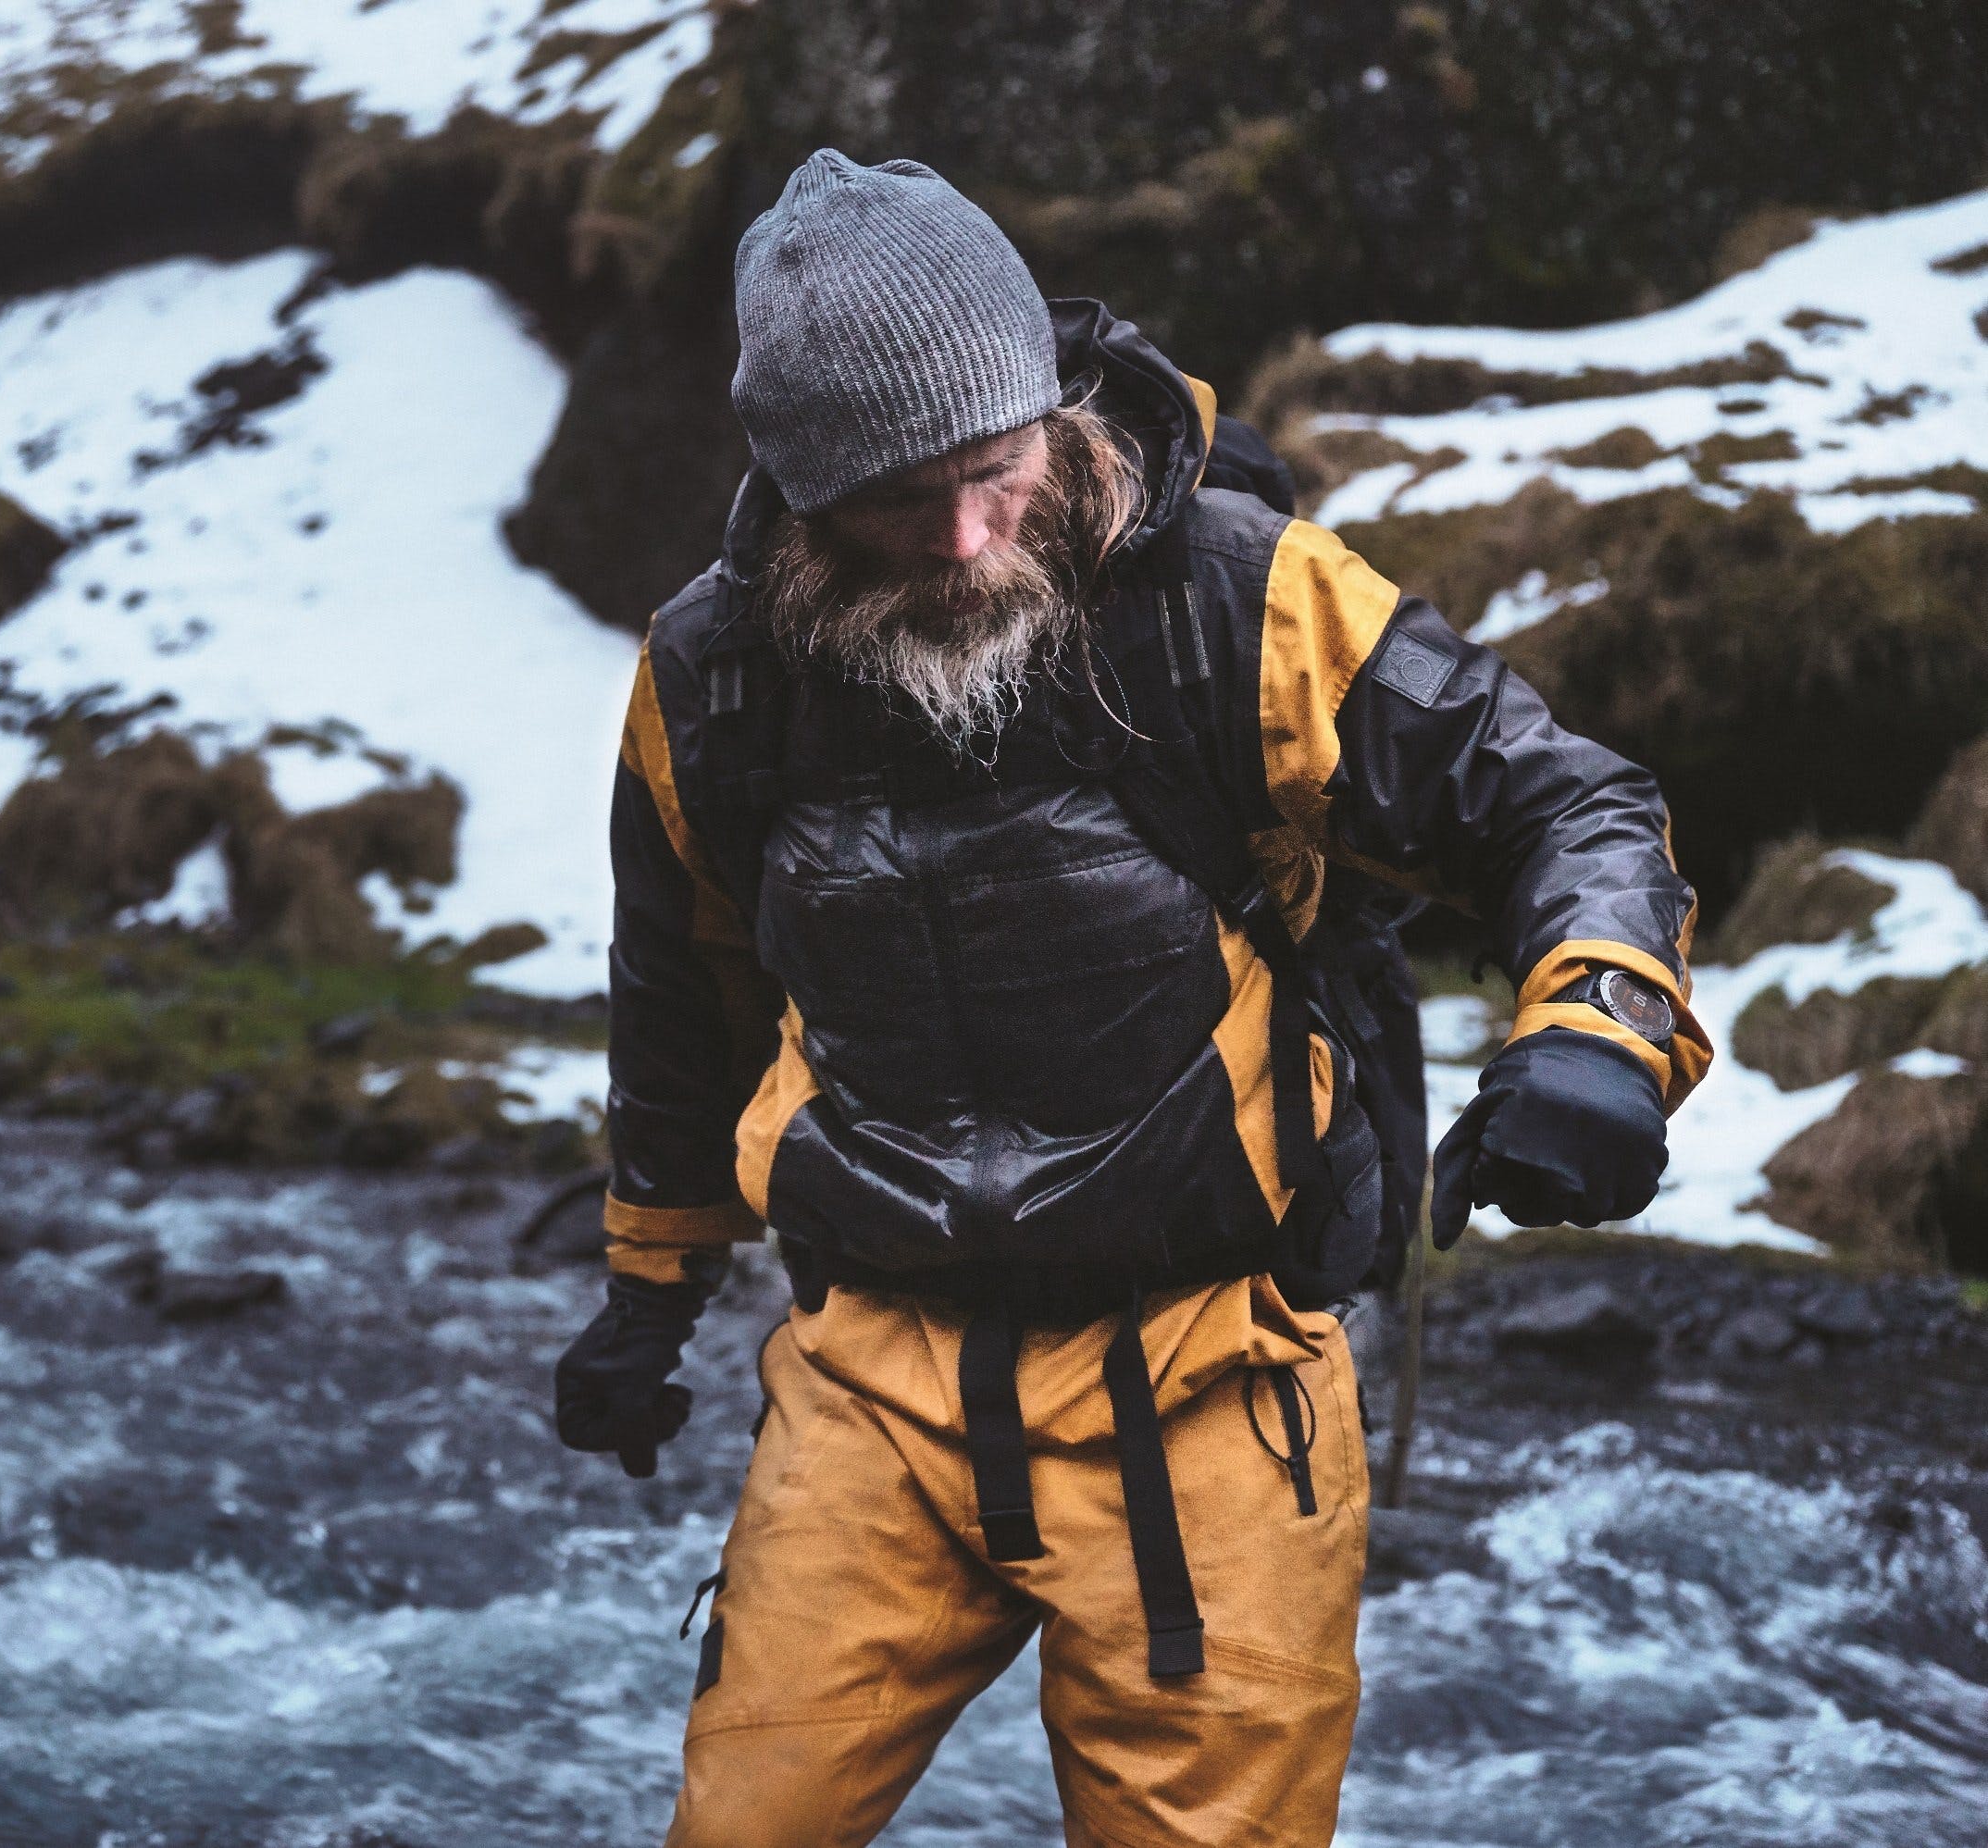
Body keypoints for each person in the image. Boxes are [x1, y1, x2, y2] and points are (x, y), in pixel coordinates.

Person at [553, 151, 1712, 1848]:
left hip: (1211, 1382)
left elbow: (1565, 803)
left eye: (994, 468)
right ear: (798, 498)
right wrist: (651, 1286)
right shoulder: (713, 681)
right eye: (893, 500)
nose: (962, 539)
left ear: (1047, 410)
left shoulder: (1250, 600)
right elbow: (685, 992)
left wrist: (1601, 1027)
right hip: (872, 1383)